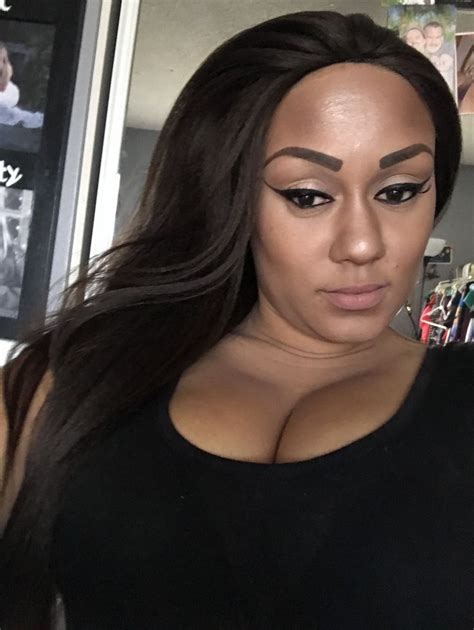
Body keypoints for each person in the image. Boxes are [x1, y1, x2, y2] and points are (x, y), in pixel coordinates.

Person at [0, 10, 472, 630]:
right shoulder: (62, 387)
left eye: (399, 191)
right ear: (227, 195)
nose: (362, 244)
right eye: (307, 195)